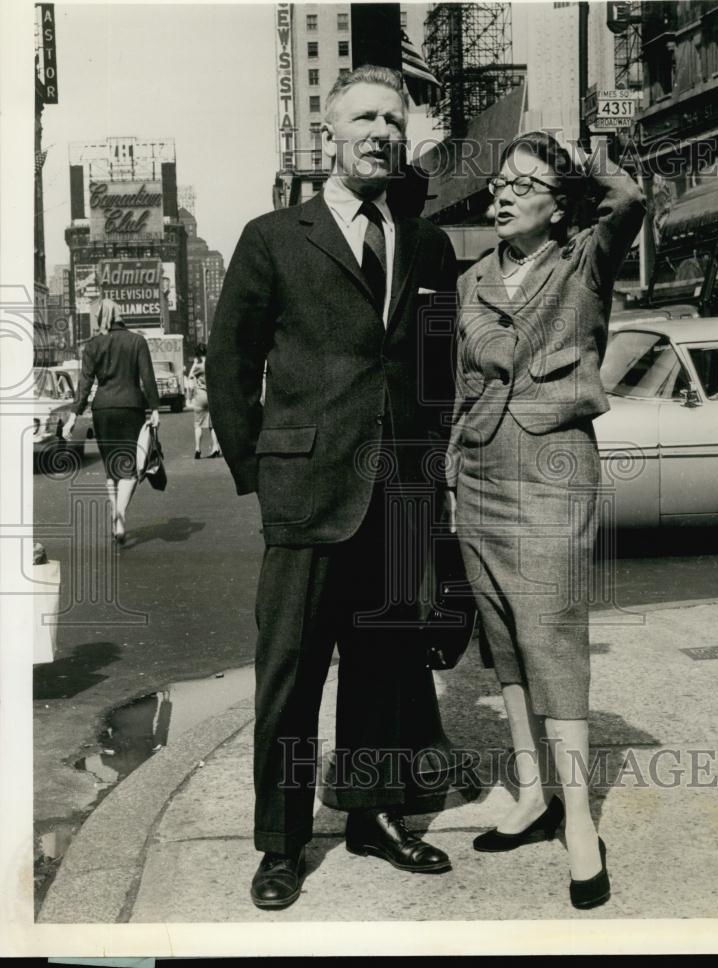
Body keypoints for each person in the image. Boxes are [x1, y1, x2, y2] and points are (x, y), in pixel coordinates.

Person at [207, 65, 459, 911]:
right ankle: (280, 843)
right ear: (330, 135)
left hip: (396, 496)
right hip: (307, 496)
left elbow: (432, 366)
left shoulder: (423, 242)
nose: (381, 131)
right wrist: (261, 474)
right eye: (364, 118)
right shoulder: (274, 236)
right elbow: (230, 363)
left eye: (393, 118)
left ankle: (372, 816)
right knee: (290, 675)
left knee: (383, 669)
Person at [446, 132, 646, 910]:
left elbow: (626, 198)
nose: (500, 194)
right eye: (498, 183)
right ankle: (531, 797)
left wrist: (582, 147)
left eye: (522, 185)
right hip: (483, 470)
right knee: (503, 638)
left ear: (558, 205)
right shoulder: (472, 278)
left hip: (554, 463)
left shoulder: (584, 260)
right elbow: (469, 377)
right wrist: (451, 467)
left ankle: (581, 827)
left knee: (552, 635)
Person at [63, 300, 160, 543]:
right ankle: (120, 514)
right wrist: (155, 408)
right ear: (121, 315)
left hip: (102, 410)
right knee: (131, 467)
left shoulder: (93, 345)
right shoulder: (137, 341)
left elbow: (84, 384)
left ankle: (114, 510)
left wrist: (73, 415)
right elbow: (147, 378)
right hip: (131, 408)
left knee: (111, 468)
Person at [188, 344, 221, 459]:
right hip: (211, 396)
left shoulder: (199, 367)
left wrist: (194, 363)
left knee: (198, 424)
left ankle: (197, 448)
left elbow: (190, 377)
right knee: (213, 425)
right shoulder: (213, 365)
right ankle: (215, 447)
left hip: (200, 396)